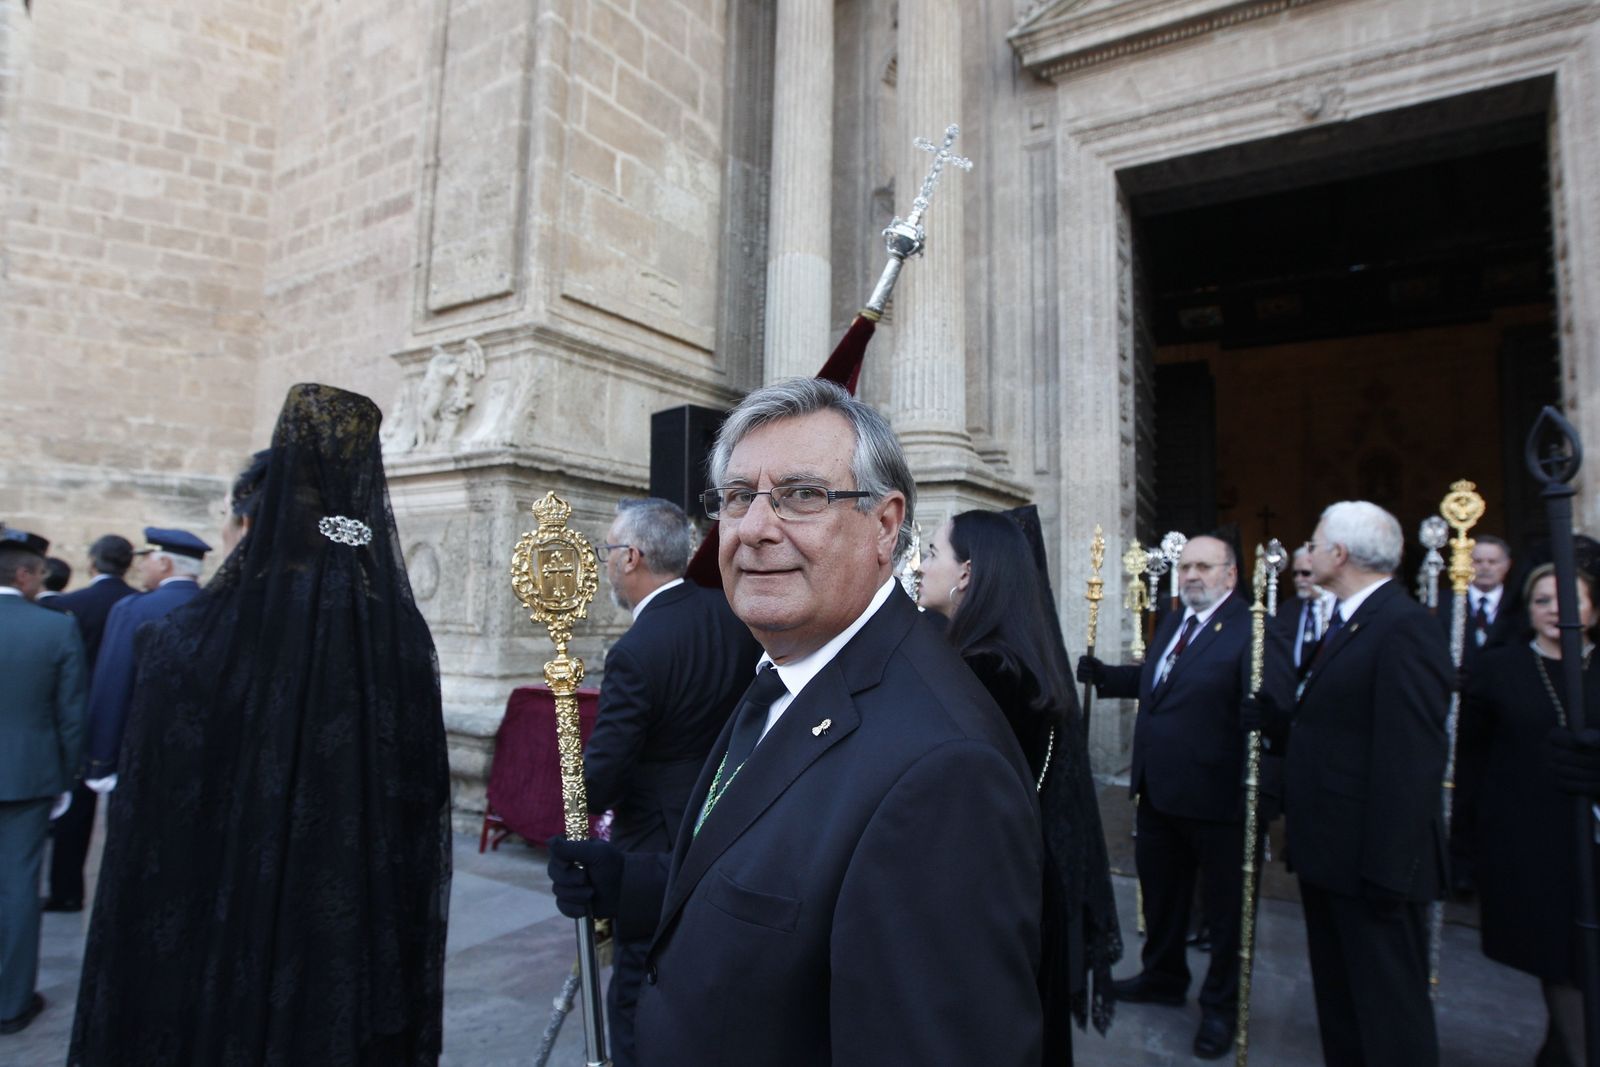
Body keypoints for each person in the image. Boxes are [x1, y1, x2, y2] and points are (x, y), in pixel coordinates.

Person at [549, 377, 1044, 1066]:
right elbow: (770, 883)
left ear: (885, 524)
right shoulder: (787, 669)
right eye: (737, 497)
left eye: (802, 495)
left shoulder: (943, 770)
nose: (753, 527)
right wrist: (628, 885)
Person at [69, 383, 451, 1066]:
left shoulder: (187, 637)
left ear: (257, 516)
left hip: (210, 969)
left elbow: (148, 845)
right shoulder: (400, 640)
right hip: (349, 956)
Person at [1076, 535, 1292, 1059]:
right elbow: (1161, 683)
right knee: (1164, 898)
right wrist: (1110, 678)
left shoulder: (1254, 629)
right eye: (1186, 566)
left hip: (1221, 801)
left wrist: (1268, 718)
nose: (1191, 574)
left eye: (1204, 566)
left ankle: (1220, 1006)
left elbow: (1280, 710)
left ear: (1230, 575)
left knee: (1225, 914)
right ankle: (1163, 976)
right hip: (1159, 792)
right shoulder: (1174, 622)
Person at [918, 509, 1122, 1064]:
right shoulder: (997, 660)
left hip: (987, 901)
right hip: (1011, 886)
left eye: (933, 553)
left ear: (966, 573)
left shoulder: (989, 673)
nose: (922, 565)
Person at [584, 496, 762, 1067]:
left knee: (639, 982)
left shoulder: (635, 651)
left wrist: (576, 791)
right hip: (733, 820)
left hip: (657, 842)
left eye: (609, 552)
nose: (607, 563)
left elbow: (606, 770)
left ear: (631, 557)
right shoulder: (731, 614)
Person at [1281, 500, 1451, 1067]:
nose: (1305, 553)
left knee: (1388, 1018)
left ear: (1339, 553)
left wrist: (1387, 873)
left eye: (1313, 542)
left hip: (1373, 866)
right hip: (1334, 854)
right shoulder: (1352, 618)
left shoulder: (1402, 627)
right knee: (1345, 1007)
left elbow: (1412, 761)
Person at [1461, 563, 1598, 1066]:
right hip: (1531, 836)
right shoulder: (1502, 668)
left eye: (1570, 598)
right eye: (1542, 600)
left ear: (1594, 609)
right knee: (1559, 958)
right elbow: (1472, 758)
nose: (1556, 609)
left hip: (1596, 831)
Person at [0, 528, 87, 1035]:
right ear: (25, 574)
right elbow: (71, 714)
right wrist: (67, 774)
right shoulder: (54, 629)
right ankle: (10, 1003)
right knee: (16, 889)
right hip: (28, 774)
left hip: (27, 773)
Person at [42, 535, 137, 913]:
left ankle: (67, 891)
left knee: (74, 810)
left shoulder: (70, 605)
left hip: (81, 716)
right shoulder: (134, 603)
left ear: (93, 563)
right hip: (125, 717)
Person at [82, 526, 213, 786]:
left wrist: (101, 760)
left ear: (164, 563)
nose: (140, 566)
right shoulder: (220, 608)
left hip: (141, 749)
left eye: (146, 559)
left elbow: (114, 684)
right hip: (204, 751)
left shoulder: (135, 609)